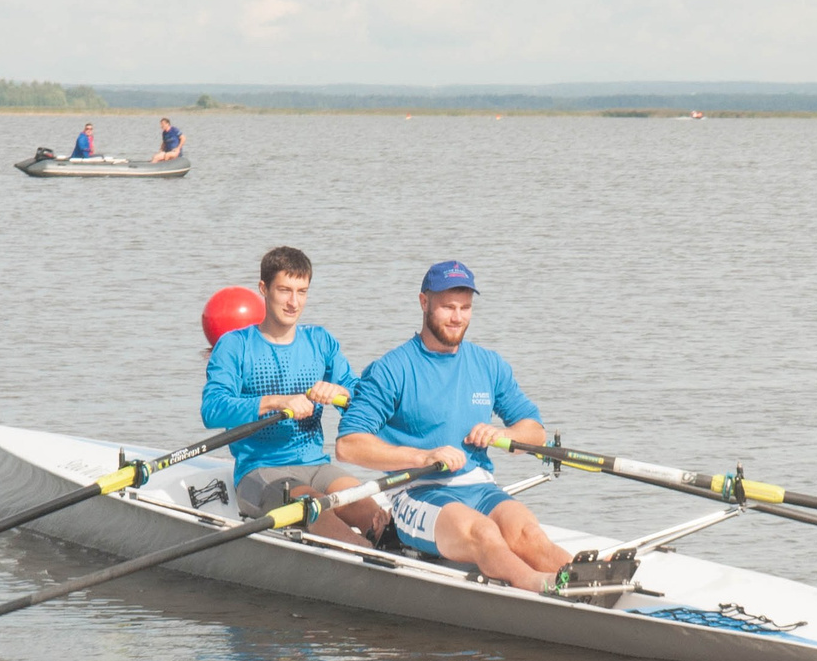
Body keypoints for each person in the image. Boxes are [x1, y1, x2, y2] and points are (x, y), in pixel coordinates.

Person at [334, 260, 573, 592]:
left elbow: (535, 432)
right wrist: (422, 457)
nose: (457, 317)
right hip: (417, 491)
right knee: (484, 533)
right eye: (448, 307)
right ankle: (539, 585)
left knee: (529, 534)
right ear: (424, 302)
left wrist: (506, 434)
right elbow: (349, 445)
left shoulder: (489, 364)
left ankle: (580, 578)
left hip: (479, 486)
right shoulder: (392, 369)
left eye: (465, 308)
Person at [201, 246, 372, 541]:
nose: (294, 302)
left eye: (302, 291)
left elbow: (365, 404)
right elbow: (212, 409)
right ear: (263, 289)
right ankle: (364, 553)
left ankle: (383, 543)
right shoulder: (234, 346)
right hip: (260, 470)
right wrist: (277, 402)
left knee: (373, 512)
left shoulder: (320, 341)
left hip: (317, 465)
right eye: (285, 290)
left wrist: (340, 392)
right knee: (312, 504)